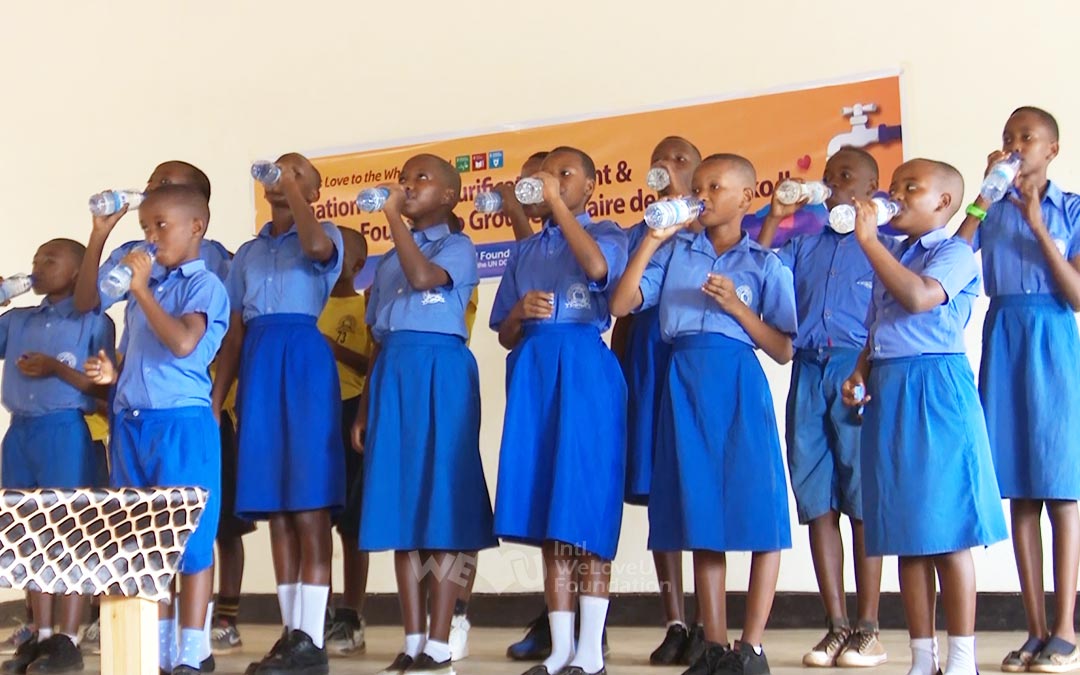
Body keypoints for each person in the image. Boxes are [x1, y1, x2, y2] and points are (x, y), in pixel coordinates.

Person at [610, 153, 796, 675]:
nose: (703, 196)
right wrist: (651, 240)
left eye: (716, 187)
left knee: (758, 511)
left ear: (747, 198)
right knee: (700, 516)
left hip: (737, 382)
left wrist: (737, 308)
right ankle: (714, 646)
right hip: (684, 381)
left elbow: (783, 348)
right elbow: (621, 305)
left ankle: (751, 647)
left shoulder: (765, 264)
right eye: (698, 188)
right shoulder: (675, 254)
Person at [842, 159, 1007, 675]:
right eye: (894, 186)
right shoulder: (893, 253)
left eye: (910, 187)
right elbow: (878, 328)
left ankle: (961, 659)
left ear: (944, 203)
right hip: (889, 389)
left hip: (935, 389)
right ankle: (922, 657)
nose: (896, 194)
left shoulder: (954, 253)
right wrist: (860, 371)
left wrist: (867, 241)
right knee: (907, 534)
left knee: (947, 531)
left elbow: (917, 298)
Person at [491, 146, 628, 675]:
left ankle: (591, 651)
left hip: (586, 375)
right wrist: (518, 314)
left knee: (586, 509)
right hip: (536, 377)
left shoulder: (606, 233)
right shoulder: (526, 250)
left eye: (564, 174)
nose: (551, 182)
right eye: (544, 176)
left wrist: (556, 206)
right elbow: (504, 333)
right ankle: (561, 648)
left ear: (589, 187)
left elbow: (598, 269)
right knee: (552, 516)